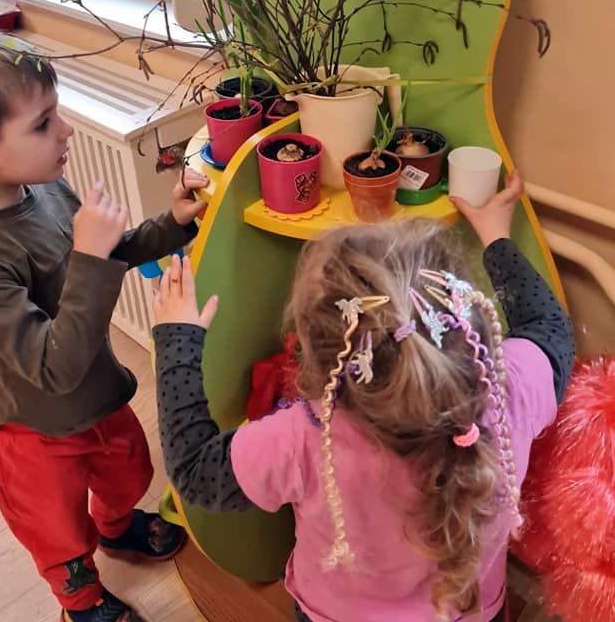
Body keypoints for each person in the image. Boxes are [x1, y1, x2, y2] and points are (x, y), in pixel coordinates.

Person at [151, 171, 575, 622]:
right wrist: (497, 239)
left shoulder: (305, 437)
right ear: (463, 313)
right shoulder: (510, 387)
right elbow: (550, 327)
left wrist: (177, 339)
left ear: (316, 358)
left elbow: (195, 470)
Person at [0, 29, 210, 622]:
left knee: (129, 476)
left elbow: (109, 254)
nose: (64, 130)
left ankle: (116, 527)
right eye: (43, 123)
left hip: (99, 395)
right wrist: (90, 255)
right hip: (34, 433)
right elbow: (52, 368)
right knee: (59, 534)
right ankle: (81, 601)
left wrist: (171, 223)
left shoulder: (44, 191)